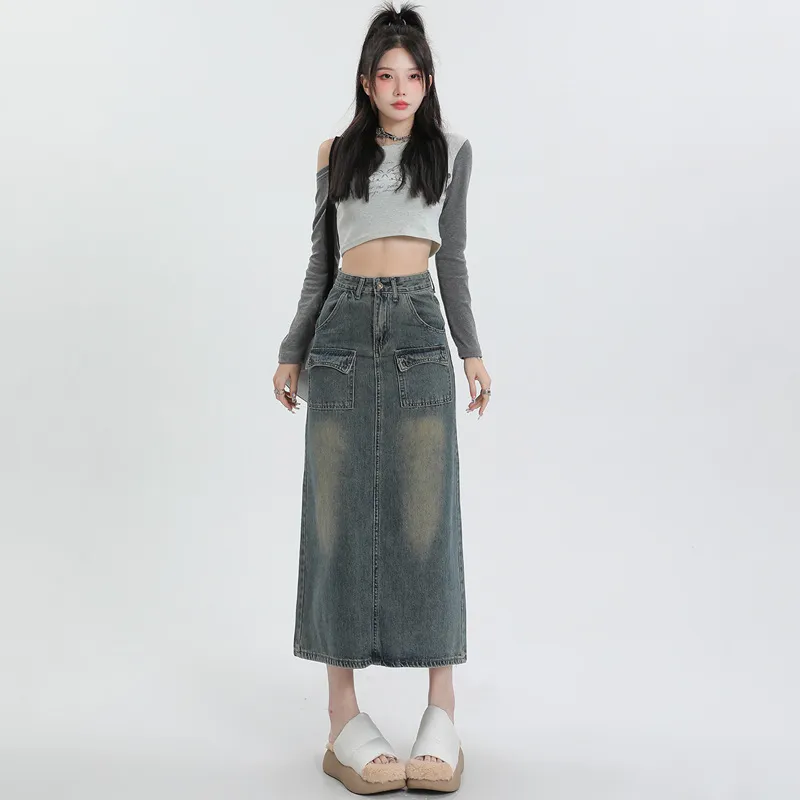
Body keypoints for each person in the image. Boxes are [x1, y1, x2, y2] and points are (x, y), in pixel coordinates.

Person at [272, 2, 491, 794]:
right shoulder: (336, 154)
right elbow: (320, 262)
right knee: (335, 520)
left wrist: (470, 350)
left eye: (415, 76)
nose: (402, 89)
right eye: (387, 76)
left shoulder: (452, 152)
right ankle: (342, 716)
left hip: (419, 334)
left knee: (427, 520)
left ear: (427, 83)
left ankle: (442, 708)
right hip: (340, 335)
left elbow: (451, 260)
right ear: (366, 83)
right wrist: (292, 349)